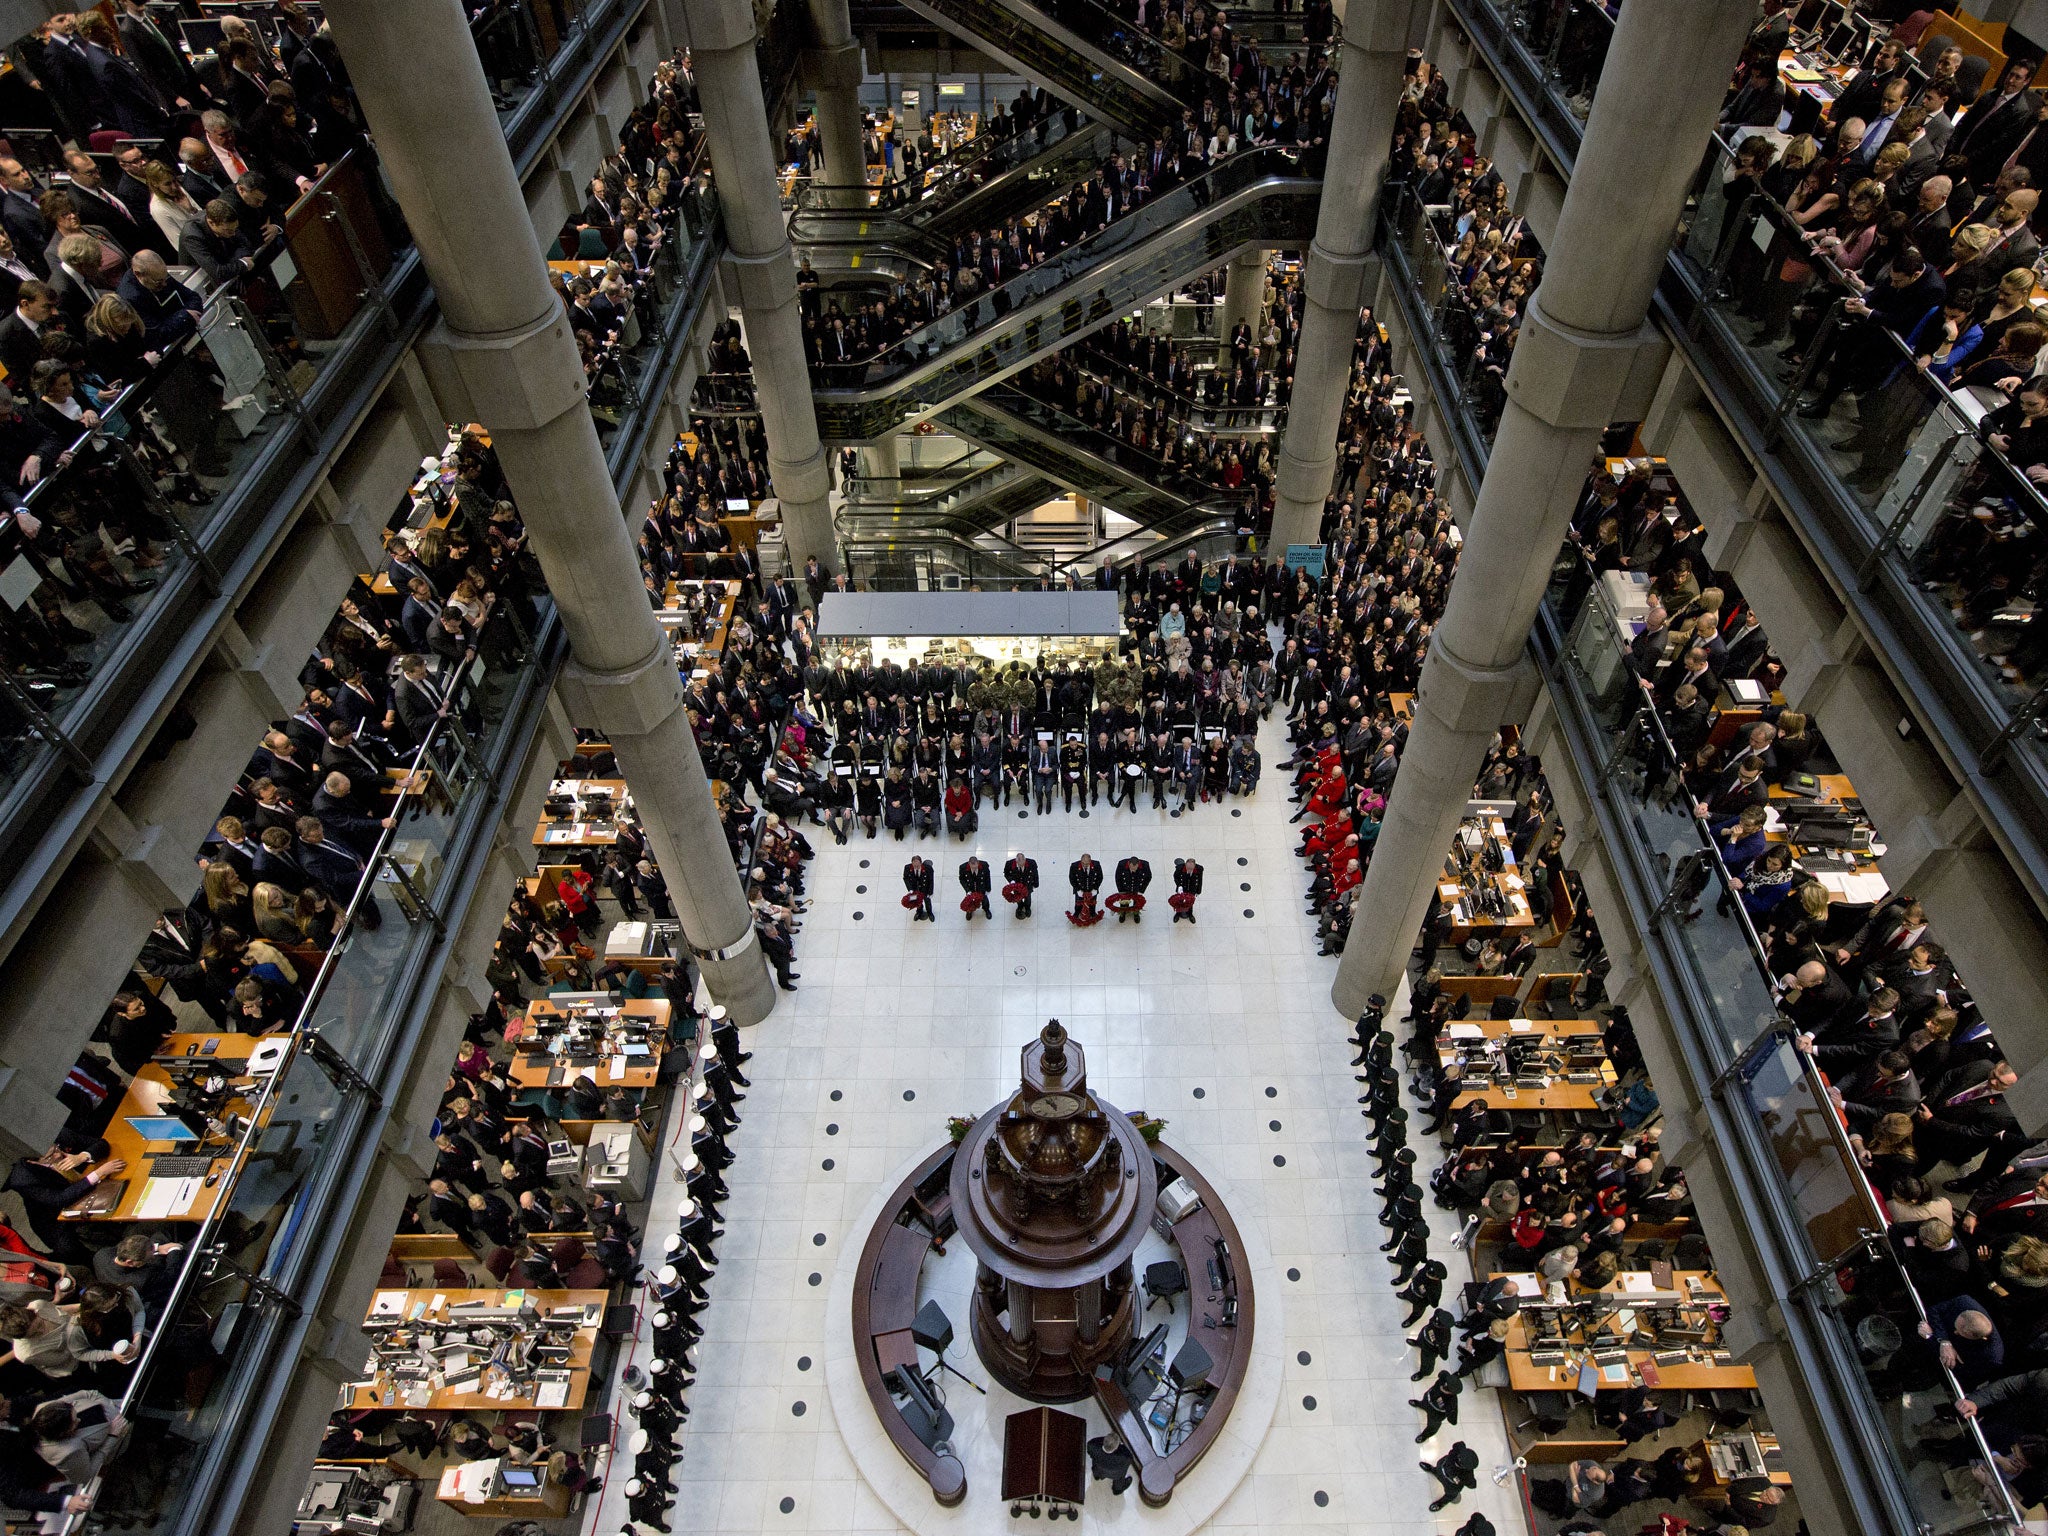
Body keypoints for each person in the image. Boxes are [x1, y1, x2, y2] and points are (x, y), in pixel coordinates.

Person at [1113, 854, 1151, 924]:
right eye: (1131, 868)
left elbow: (1148, 877)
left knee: (1137, 902)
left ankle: (1136, 913)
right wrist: (1121, 891)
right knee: (1124, 901)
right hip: (1125, 886)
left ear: (1138, 864)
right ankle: (1123, 912)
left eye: (1135, 868)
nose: (1133, 870)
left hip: (1137, 886)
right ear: (1129, 864)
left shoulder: (1145, 865)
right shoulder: (1121, 864)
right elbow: (1118, 878)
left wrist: (1141, 890)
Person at [1004, 852, 1038, 918]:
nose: (1022, 866)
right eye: (1020, 865)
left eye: (1023, 864)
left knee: (1028, 898)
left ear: (1025, 860)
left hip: (1027, 885)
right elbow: (1006, 874)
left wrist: (1035, 884)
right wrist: (1011, 881)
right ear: (1016, 861)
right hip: (1016, 886)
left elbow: (1035, 874)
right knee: (1017, 897)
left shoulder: (1032, 863)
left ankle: (1027, 908)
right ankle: (1020, 906)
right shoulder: (1009, 864)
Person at [958, 853, 992, 920]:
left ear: (978, 863)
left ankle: (986, 909)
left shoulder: (984, 865)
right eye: (972, 867)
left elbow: (987, 877)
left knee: (985, 900)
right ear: (969, 864)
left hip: (981, 887)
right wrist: (967, 890)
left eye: (975, 867)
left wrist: (988, 889)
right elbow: (961, 879)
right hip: (970, 888)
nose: (974, 868)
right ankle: (969, 911)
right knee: (969, 901)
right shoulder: (962, 867)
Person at [1172, 856, 1203, 923]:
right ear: (1185, 864)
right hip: (1182, 887)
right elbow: (1175, 877)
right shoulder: (1179, 868)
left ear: (1194, 866)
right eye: (1188, 868)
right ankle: (1178, 913)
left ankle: (1190, 914)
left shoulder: (1199, 869)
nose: (1189, 870)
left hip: (1192, 888)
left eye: (1191, 869)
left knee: (1190, 902)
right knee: (1179, 901)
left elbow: (1200, 880)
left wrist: (1198, 891)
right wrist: (1179, 885)